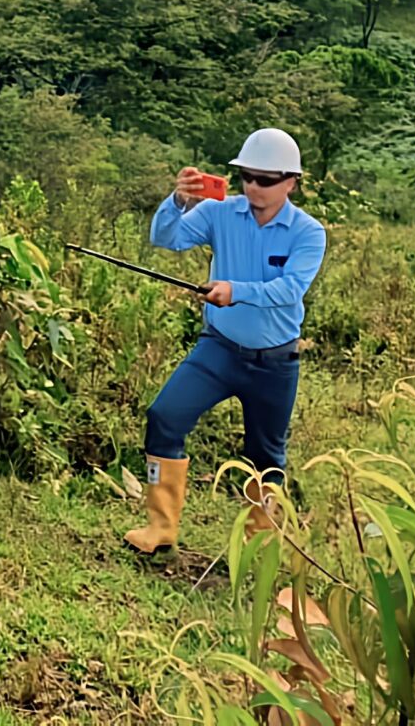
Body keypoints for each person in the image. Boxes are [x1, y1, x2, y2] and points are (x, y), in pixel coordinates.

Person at [122, 127, 327, 553]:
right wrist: (178, 201)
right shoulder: (219, 213)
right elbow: (166, 238)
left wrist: (236, 290)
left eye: (265, 179)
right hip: (218, 349)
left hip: (275, 362)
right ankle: (160, 529)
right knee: (164, 416)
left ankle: (257, 546)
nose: (253, 187)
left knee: (266, 457)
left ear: (291, 182)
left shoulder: (308, 233)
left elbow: (290, 289)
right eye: (246, 177)